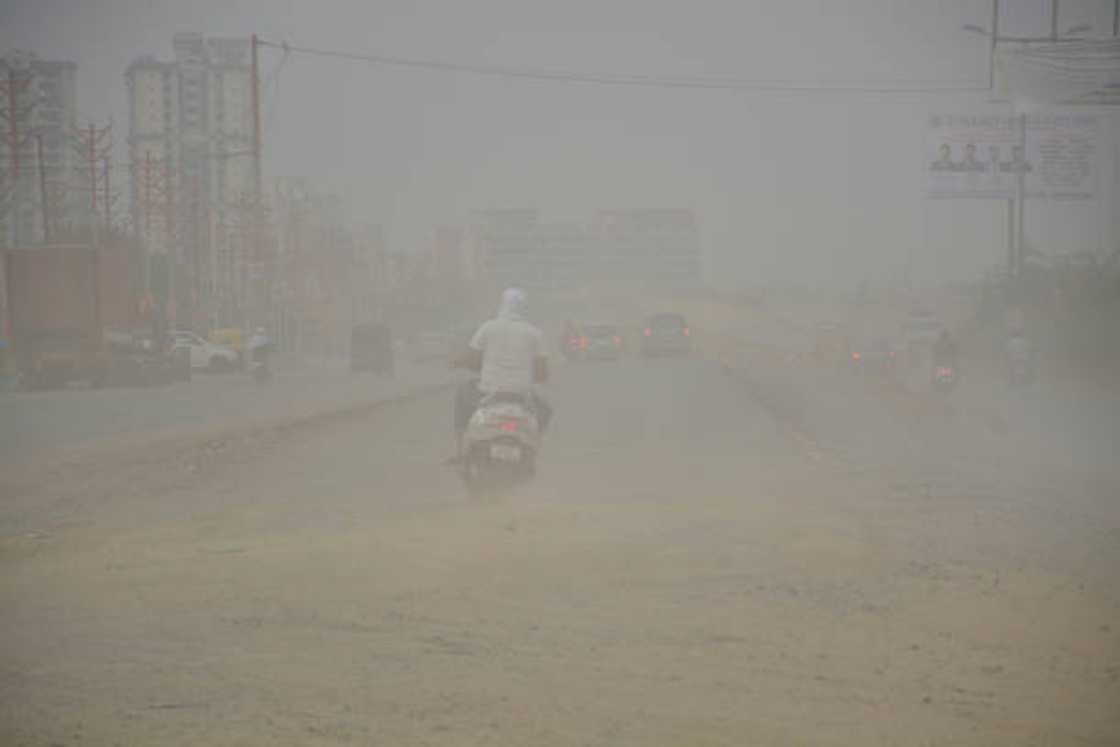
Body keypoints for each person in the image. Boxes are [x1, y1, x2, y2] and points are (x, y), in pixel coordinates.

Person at [450, 288, 551, 461]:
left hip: (487, 392)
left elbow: (472, 360)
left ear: (502, 304)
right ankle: (533, 449)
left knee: (462, 393)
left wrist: (458, 362)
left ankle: (459, 450)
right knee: (546, 410)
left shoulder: (487, 327)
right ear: (525, 308)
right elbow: (542, 374)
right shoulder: (534, 333)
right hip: (521, 394)